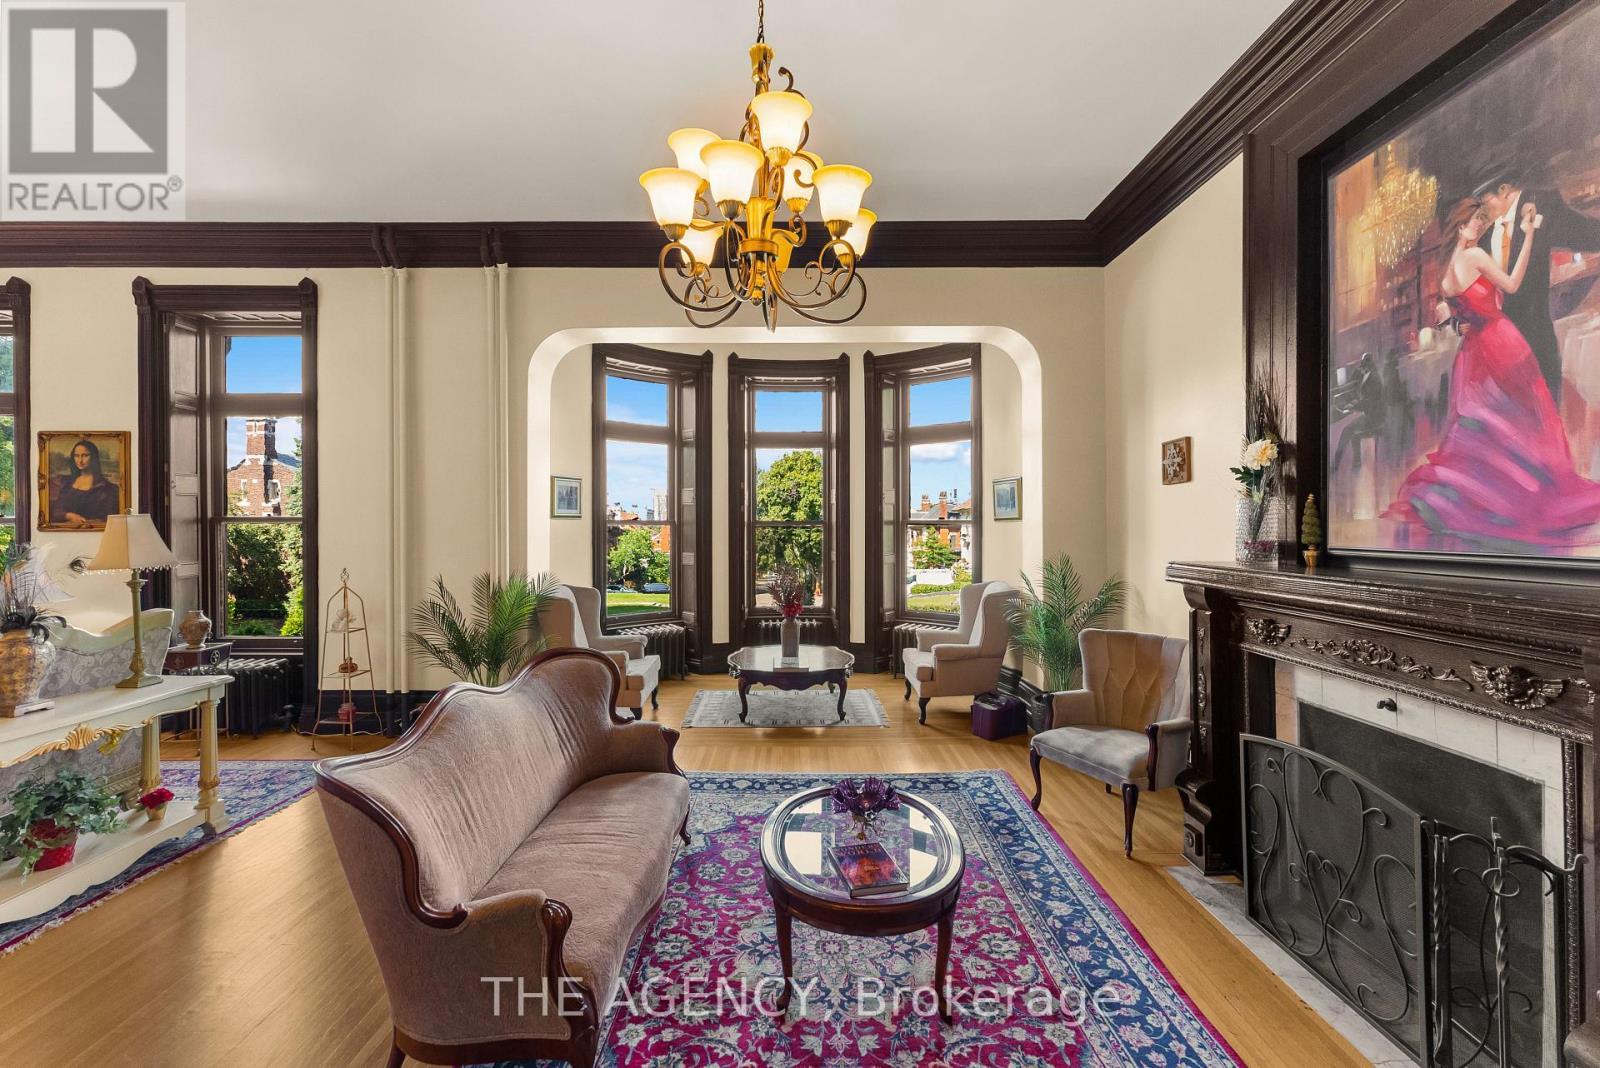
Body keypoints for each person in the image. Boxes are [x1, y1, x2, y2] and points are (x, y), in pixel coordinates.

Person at [1384, 198, 1600, 552]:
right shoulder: (1474, 257)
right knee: (1525, 419)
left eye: (1483, 221)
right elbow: (1512, 284)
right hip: (1500, 342)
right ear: (1460, 227)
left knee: (1490, 427)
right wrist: (1529, 235)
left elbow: (1451, 315)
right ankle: (1526, 499)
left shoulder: (1446, 272)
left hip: (1472, 353)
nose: (1481, 227)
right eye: (1476, 222)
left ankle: (1494, 499)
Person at [1476, 173, 1600, 403]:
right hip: (1499, 352)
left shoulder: (1543, 204)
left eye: (1486, 202)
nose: (1483, 211)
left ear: (1504, 190)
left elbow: (1586, 232)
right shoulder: (1485, 236)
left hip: (1534, 343)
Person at [48, 439, 121, 528]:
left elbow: (109, 520)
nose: (80, 460)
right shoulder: (67, 483)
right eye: (76, 456)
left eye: (85, 455)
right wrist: (68, 515)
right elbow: (55, 510)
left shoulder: (107, 489)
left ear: (94, 457)